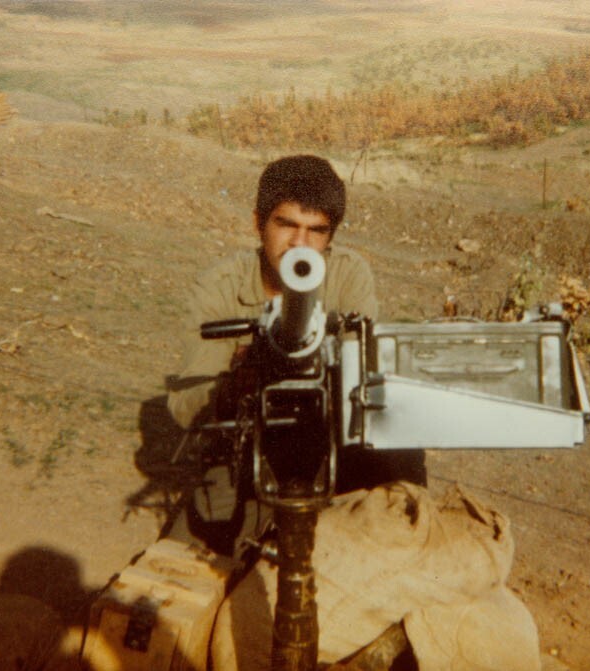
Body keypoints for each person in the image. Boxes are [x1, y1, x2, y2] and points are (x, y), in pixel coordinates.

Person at [166, 155, 425, 555]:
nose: (299, 244)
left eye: (315, 230)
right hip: (252, 445)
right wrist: (236, 384)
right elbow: (186, 406)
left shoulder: (348, 276)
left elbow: (366, 382)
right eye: (286, 224)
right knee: (194, 554)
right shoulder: (220, 286)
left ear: (330, 237)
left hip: (329, 438)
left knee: (399, 509)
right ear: (258, 223)